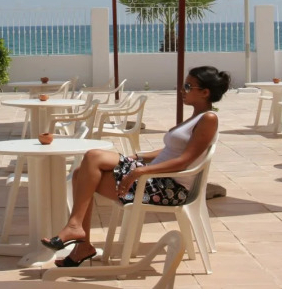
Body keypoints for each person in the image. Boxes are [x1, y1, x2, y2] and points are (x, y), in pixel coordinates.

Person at [41, 65, 231, 267]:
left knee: (89, 164)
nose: (182, 90)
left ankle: (77, 232)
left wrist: (141, 171)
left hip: (169, 189)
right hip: (154, 179)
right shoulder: (196, 117)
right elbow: (171, 150)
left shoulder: (209, 119)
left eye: (188, 86)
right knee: (83, 170)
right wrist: (138, 157)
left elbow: (184, 160)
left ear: (205, 92)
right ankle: (81, 240)